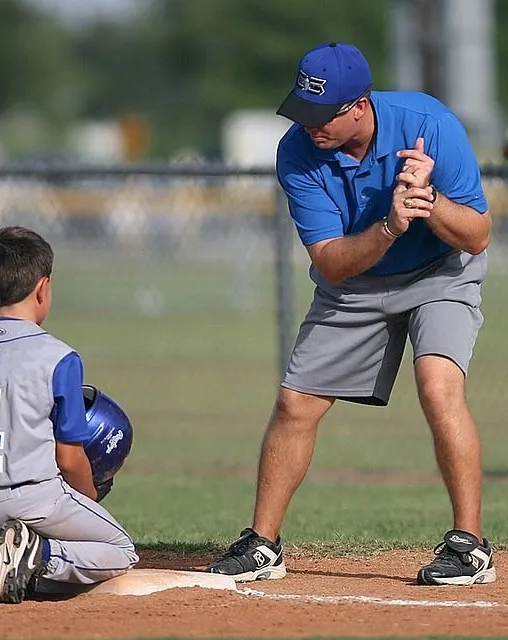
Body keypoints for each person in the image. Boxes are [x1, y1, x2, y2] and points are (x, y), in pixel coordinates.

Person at [207, 42, 494, 586]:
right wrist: (390, 225)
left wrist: (428, 202)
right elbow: (332, 264)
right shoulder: (297, 153)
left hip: (439, 272)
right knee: (295, 403)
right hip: (356, 281)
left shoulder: (429, 125)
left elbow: (478, 237)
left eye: (322, 116)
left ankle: (468, 547)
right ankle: (263, 544)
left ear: (358, 106)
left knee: (438, 386)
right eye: (303, 112)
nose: (309, 127)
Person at [0, 226, 138, 604]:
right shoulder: (57, 356)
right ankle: (36, 554)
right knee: (120, 550)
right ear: (42, 288)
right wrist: (87, 496)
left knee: (15, 526)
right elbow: (69, 457)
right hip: (33, 499)